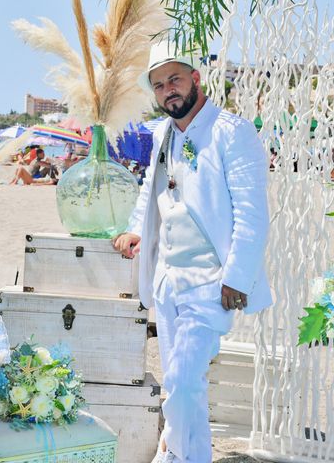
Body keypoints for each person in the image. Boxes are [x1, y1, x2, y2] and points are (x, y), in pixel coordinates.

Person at [113, 41, 272, 463]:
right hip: (166, 279)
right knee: (181, 387)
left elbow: (252, 214)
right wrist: (135, 230)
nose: (169, 90)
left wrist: (237, 277)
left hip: (211, 283)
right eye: (159, 85)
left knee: (183, 383)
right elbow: (152, 187)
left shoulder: (232, 131)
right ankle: (182, 455)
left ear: (196, 79)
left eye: (175, 79)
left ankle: (178, 457)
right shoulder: (163, 132)